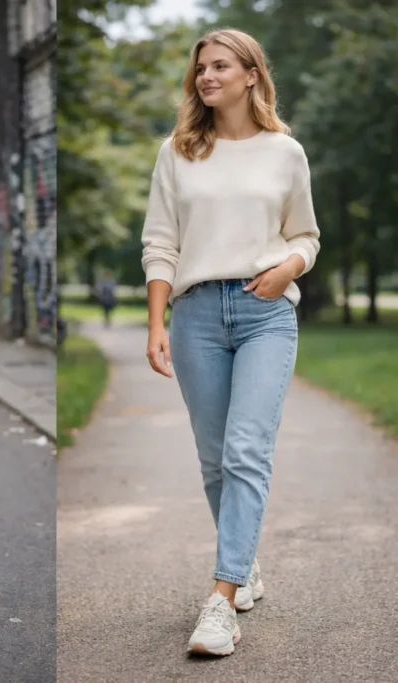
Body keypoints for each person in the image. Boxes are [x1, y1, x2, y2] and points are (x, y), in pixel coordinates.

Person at [140, 29, 320, 657]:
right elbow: (160, 243)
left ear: (250, 74)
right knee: (215, 458)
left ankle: (221, 600)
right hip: (194, 316)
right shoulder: (179, 151)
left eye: (219, 66)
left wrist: (289, 267)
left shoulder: (285, 153)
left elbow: (306, 235)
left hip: (265, 311)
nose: (206, 77)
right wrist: (157, 323)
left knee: (246, 450)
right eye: (200, 69)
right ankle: (244, 562)